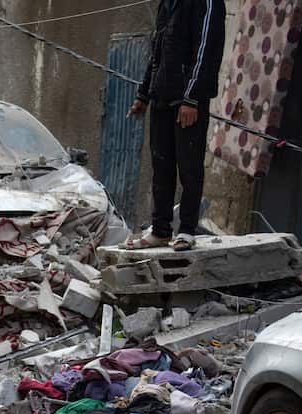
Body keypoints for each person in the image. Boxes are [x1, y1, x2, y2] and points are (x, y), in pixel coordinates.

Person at [127, 0, 224, 251]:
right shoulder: (167, 4)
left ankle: (188, 230)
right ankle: (160, 230)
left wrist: (191, 97)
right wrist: (143, 95)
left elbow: (205, 50)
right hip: (161, 96)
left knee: (189, 166)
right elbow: (157, 52)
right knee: (162, 165)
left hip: (188, 100)